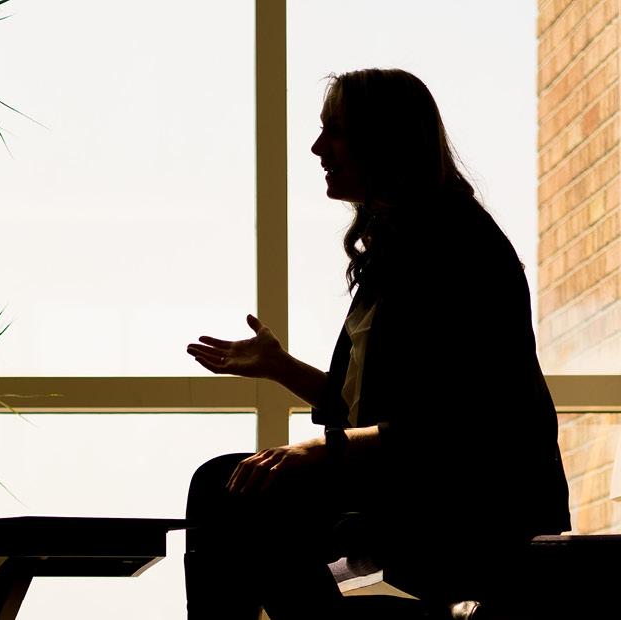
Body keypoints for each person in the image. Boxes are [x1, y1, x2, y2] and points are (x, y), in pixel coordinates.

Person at [183, 68, 570, 619]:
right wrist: (280, 368)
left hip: (475, 501)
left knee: (232, 491)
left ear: (385, 139)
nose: (318, 147)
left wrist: (322, 449)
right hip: (419, 484)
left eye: (334, 131)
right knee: (227, 486)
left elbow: (458, 424)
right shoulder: (400, 250)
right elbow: (378, 411)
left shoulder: (461, 250)